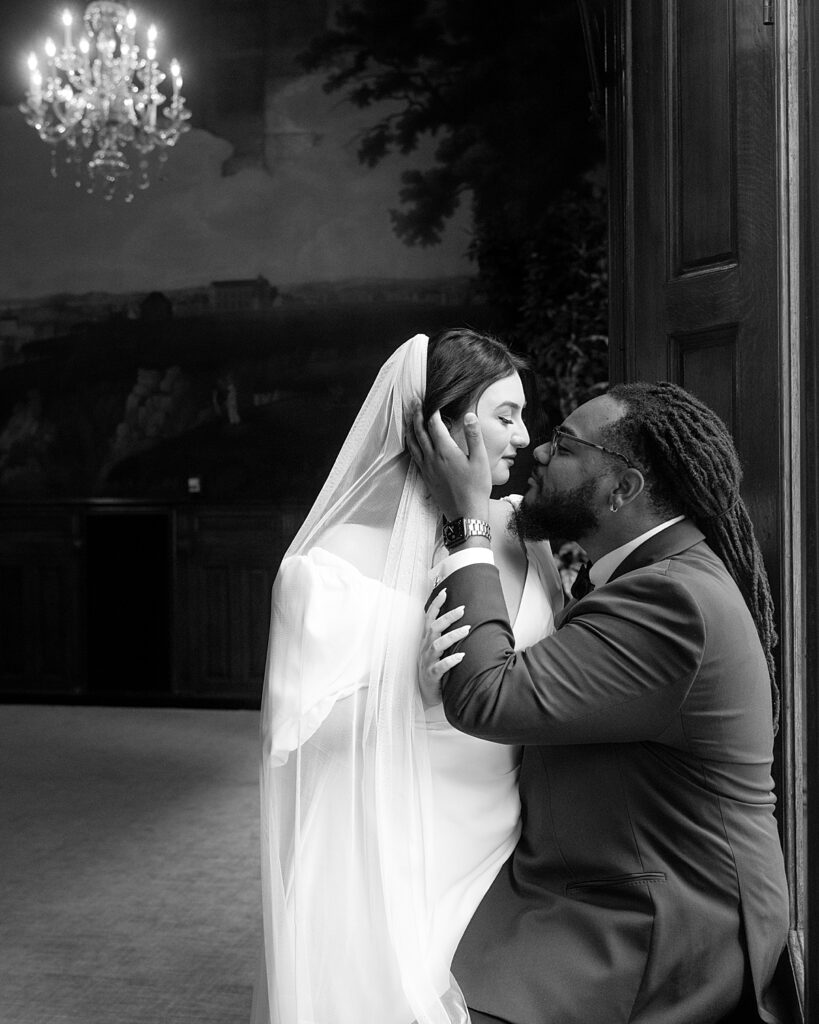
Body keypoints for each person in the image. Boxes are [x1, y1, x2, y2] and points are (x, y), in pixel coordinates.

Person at [408, 382, 790, 1024]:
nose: (538, 452)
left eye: (564, 445)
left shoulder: (672, 602)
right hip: (599, 877)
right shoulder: (650, 575)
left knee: (420, 999)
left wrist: (467, 519)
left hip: (662, 922)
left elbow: (486, 696)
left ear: (622, 491)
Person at [251, 329, 564, 1024]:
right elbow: (300, 742)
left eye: (523, 415)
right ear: (442, 425)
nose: (524, 436)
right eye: (504, 416)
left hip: (516, 835)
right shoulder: (329, 567)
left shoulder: (524, 532)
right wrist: (410, 693)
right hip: (394, 846)